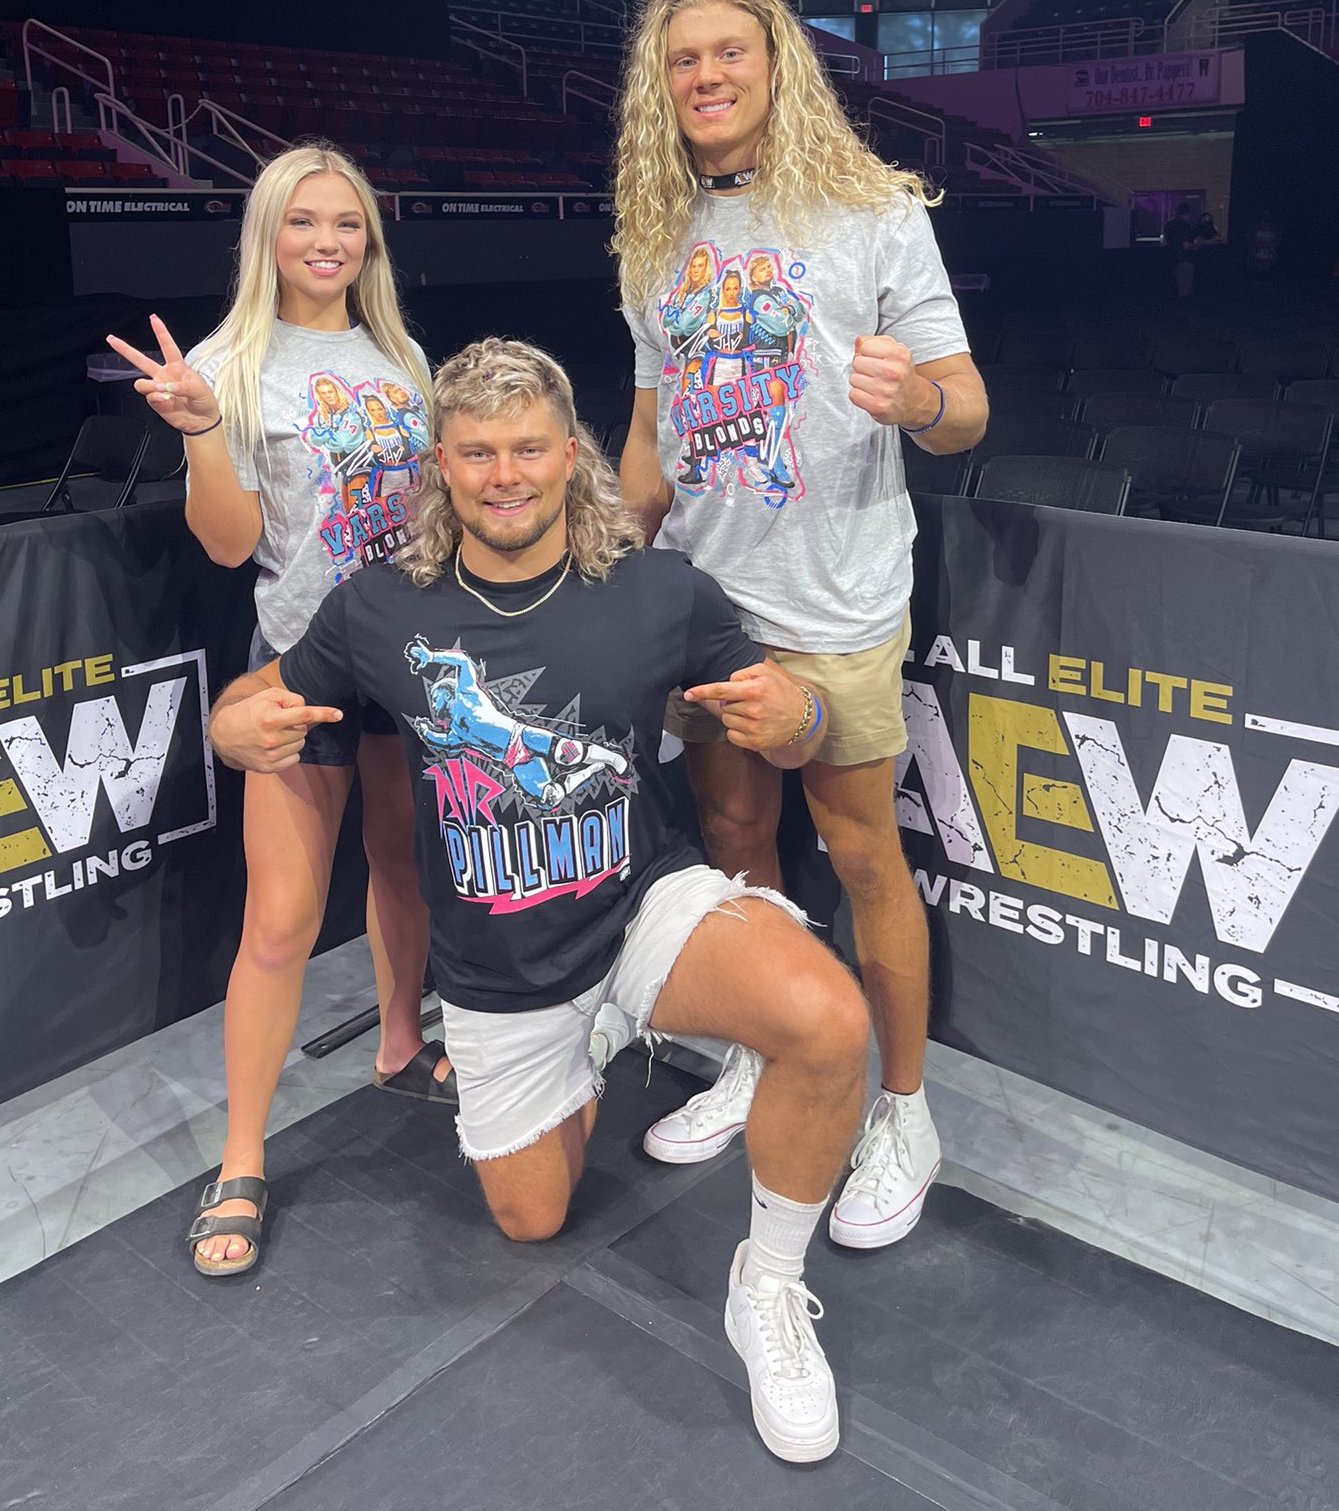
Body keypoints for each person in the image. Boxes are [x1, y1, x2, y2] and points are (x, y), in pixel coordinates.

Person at [206, 339, 872, 1464]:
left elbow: (797, 721)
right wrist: (234, 730)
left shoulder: (659, 590)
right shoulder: (381, 608)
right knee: (532, 1220)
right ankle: (594, 1036)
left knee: (828, 1019)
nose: (504, 474)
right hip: (498, 967)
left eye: (526, 449)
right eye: (477, 452)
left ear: (571, 455)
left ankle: (766, 1287)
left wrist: (797, 720)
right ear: (444, 465)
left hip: (642, 904)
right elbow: (251, 702)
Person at [613, 0, 987, 1250]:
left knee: (863, 851)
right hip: (707, 600)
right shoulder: (654, 229)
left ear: (777, 64)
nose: (706, 75)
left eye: (729, 51)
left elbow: (966, 406)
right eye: (683, 59)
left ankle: (904, 1109)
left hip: (837, 599)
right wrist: (615, 563)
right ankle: (757, 1054)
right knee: (732, 831)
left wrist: (917, 401)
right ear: (660, 84)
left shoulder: (875, 211)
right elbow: (651, 431)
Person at [106, 140, 452, 1280]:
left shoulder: (400, 353)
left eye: (346, 222)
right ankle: (242, 1156)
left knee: (403, 867)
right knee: (281, 919)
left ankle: (401, 1040)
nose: (326, 241)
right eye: (303, 221)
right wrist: (202, 430)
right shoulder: (227, 362)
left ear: (369, 238)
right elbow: (229, 544)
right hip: (305, 663)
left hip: (407, 652)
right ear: (267, 234)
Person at [1162, 196, 1222, 301]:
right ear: (1187, 213)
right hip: (1184, 261)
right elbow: (1186, 245)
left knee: (1173, 290)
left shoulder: (1168, 225)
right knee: (1185, 292)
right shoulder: (1185, 226)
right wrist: (1200, 245)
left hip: (1169, 259)